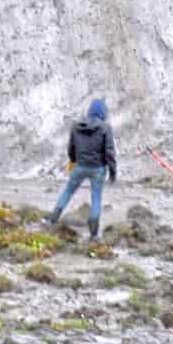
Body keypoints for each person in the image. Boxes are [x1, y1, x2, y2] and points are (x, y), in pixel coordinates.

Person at [49, 98, 118, 239]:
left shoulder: (76, 126)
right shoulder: (105, 128)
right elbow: (110, 152)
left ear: (89, 111)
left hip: (79, 166)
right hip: (98, 169)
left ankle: (52, 219)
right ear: (103, 113)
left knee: (68, 192)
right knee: (96, 199)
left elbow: (71, 148)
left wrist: (73, 161)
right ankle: (93, 234)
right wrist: (112, 171)